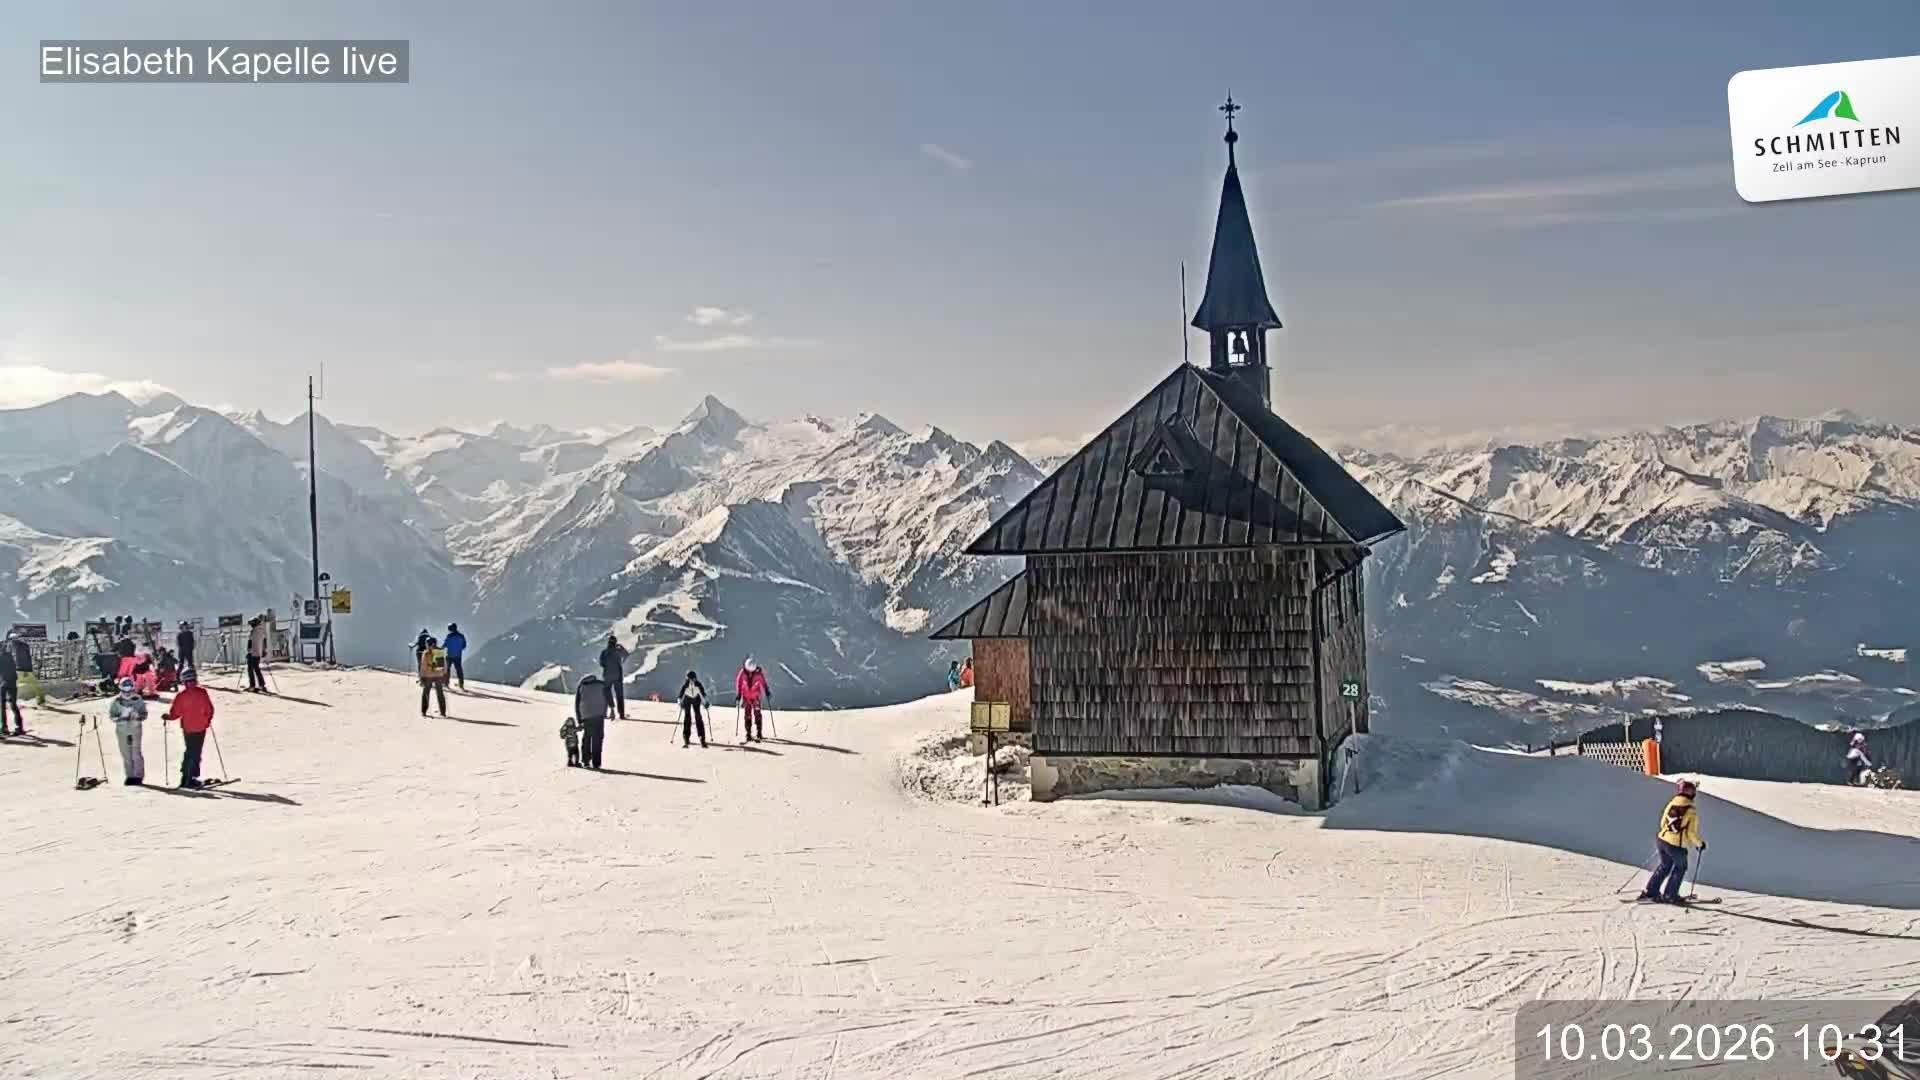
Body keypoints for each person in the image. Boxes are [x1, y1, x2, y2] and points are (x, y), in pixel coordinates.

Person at [1639, 778, 1705, 904]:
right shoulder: (1691, 811)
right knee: (1681, 867)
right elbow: (1691, 833)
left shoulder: (1671, 804)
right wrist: (1699, 844)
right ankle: (1670, 894)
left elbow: (1663, 822)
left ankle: (1651, 891)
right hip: (1676, 845)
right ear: (1692, 794)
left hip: (1662, 840)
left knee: (1665, 865)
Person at [163, 668, 215, 789]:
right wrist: (207, 720)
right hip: (200, 727)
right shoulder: (202, 692)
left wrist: (168, 717)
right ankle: (189, 777)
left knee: (190, 751)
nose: (191, 683)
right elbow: (209, 709)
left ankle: (187, 776)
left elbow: (175, 713)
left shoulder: (181, 696)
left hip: (189, 727)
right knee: (195, 752)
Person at [109, 677, 148, 785]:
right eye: (124, 691)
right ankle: (130, 776)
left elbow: (144, 714)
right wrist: (121, 718)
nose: (127, 693)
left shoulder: (138, 699)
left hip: (135, 729)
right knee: (125, 753)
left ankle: (138, 776)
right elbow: (112, 716)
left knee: (136, 753)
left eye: (129, 691)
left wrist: (138, 716)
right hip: (122, 730)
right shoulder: (117, 701)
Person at [574, 672, 609, 769]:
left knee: (587, 738)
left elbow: (577, 704)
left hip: (586, 716)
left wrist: (579, 720)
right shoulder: (601, 685)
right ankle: (596, 763)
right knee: (598, 738)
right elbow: (606, 699)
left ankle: (585, 761)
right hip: (599, 715)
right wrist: (605, 713)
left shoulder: (581, 687)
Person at [736, 657, 771, 743]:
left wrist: (767, 690)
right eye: (749, 670)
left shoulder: (759, 674)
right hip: (747, 697)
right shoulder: (743, 673)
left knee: (757, 714)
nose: (750, 672)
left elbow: (763, 682)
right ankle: (748, 734)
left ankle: (759, 733)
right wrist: (739, 694)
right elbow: (739, 683)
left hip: (755, 697)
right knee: (748, 715)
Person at [598, 635, 629, 721]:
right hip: (618, 676)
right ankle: (621, 714)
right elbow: (626, 655)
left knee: (606, 692)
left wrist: (607, 667)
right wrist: (621, 648)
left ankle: (610, 708)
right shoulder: (618, 651)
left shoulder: (604, 652)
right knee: (619, 695)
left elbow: (601, 663)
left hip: (607, 676)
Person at [418, 637, 450, 717]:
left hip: (428, 675)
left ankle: (424, 711)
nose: (426, 645)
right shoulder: (441, 652)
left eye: (427, 643)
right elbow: (445, 664)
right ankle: (443, 712)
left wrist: (422, 677)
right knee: (440, 694)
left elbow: (423, 666)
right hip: (439, 675)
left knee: (426, 693)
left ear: (430, 644)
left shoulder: (426, 653)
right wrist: (444, 674)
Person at [678, 670, 709, 748]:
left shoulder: (698, 685)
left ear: (695, 678)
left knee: (698, 717)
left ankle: (702, 738)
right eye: (690, 679)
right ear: (687, 679)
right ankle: (686, 737)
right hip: (687, 700)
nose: (691, 681)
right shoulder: (685, 686)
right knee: (687, 717)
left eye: (693, 679)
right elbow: (680, 696)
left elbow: (703, 695)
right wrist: (680, 703)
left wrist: (706, 703)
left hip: (696, 699)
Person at [0, 641, 23, 736]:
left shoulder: (3, 657)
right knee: (11, 705)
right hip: (9, 683)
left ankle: (5, 728)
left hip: (6, 683)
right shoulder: (9, 657)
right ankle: (18, 727)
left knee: (5, 706)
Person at [246, 616, 269, 693]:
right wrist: (264, 651)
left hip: (252, 653)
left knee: (250, 669)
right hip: (258, 653)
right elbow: (264, 642)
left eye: (252, 624)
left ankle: (252, 686)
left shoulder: (253, 631)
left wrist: (248, 651)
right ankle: (261, 685)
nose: (251, 625)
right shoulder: (262, 631)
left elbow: (250, 642)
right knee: (256, 669)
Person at [444, 623, 468, 690]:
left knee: (447, 669)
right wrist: (458, 648)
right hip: (458, 656)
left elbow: (445, 644)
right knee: (459, 670)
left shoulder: (449, 636)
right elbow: (464, 646)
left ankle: (446, 683)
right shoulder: (461, 636)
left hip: (449, 655)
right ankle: (461, 684)